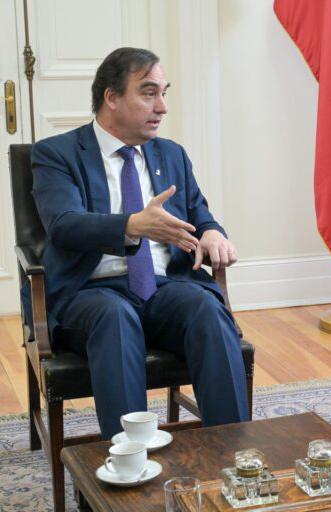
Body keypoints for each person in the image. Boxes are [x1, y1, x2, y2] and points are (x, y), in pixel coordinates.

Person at [29, 47, 249, 439]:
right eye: (149, 93)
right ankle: (130, 458)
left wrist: (213, 232)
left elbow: (199, 214)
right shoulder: (57, 154)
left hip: (165, 287)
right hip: (91, 292)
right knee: (115, 318)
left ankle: (232, 450)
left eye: (164, 93)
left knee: (207, 309)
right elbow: (64, 225)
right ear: (111, 97)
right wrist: (133, 225)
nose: (162, 107)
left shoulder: (171, 154)